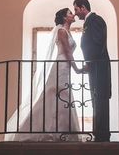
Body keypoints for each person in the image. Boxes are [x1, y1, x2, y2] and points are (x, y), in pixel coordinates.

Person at [5, 8, 82, 141]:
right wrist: (77, 69)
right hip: (61, 66)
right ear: (64, 18)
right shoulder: (62, 31)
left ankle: (61, 130)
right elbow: (68, 53)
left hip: (65, 67)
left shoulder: (67, 32)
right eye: (70, 13)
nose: (73, 14)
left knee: (61, 96)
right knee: (57, 94)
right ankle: (42, 130)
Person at [73, 0, 111, 142]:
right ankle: (99, 133)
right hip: (94, 66)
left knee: (100, 97)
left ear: (83, 8)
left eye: (76, 9)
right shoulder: (89, 22)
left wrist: (89, 63)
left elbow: (98, 42)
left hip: (99, 67)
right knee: (96, 98)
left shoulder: (95, 21)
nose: (76, 14)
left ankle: (102, 135)